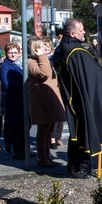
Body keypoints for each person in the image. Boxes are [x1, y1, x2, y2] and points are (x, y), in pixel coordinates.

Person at [52, 18, 102, 179]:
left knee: (78, 132)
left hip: (76, 96)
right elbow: (90, 74)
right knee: (81, 132)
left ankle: (81, 165)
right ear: (72, 33)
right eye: (81, 30)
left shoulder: (68, 47)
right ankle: (78, 167)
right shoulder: (75, 52)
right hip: (80, 97)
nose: (84, 32)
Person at [27, 37, 66, 167]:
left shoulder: (43, 59)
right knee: (43, 131)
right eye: (41, 46)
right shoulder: (31, 62)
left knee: (49, 130)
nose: (44, 48)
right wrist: (42, 56)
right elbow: (44, 73)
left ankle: (47, 156)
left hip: (49, 100)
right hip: (41, 102)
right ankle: (42, 158)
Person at [0, 41, 26, 159]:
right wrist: (23, 84)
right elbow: (6, 84)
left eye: (15, 52)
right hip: (12, 100)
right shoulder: (6, 66)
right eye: (10, 52)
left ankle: (23, 150)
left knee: (21, 126)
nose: (13, 54)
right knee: (15, 127)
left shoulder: (16, 64)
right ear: (6, 53)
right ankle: (17, 151)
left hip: (20, 99)